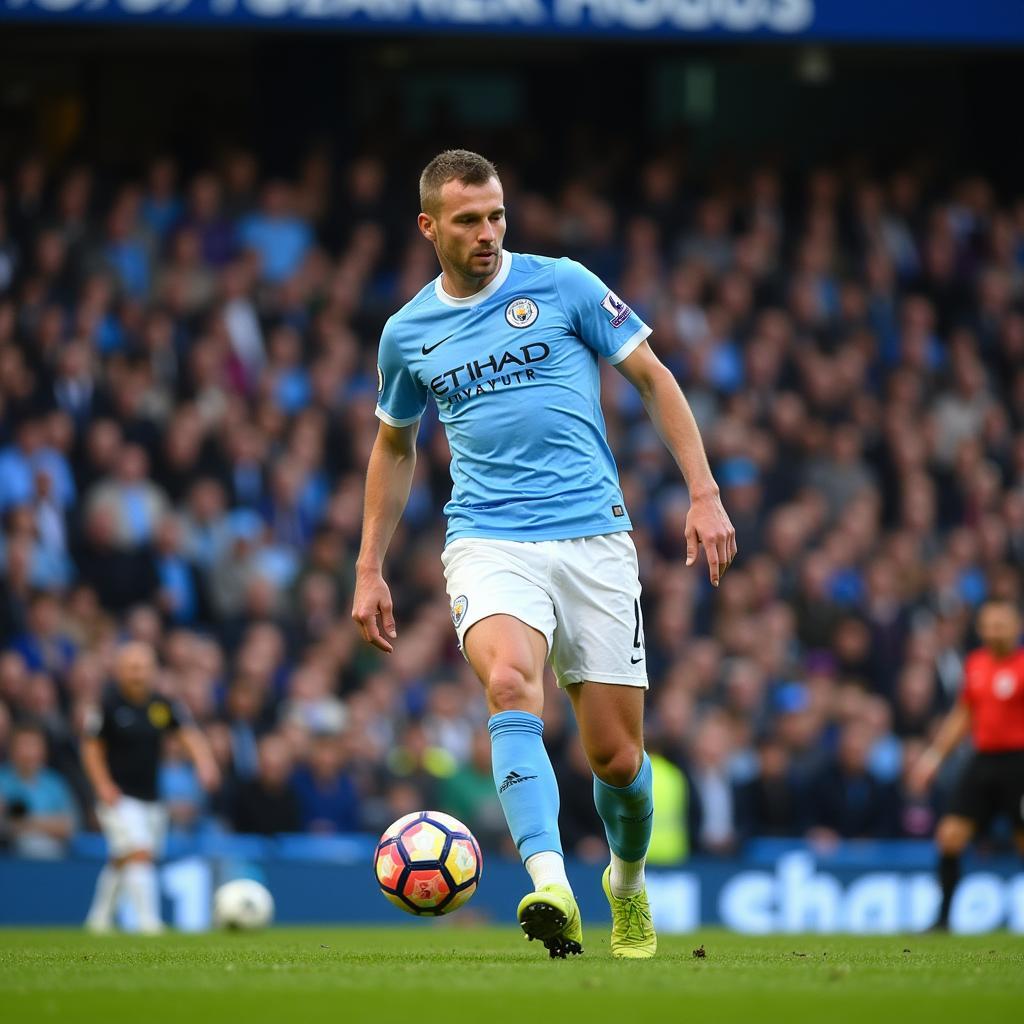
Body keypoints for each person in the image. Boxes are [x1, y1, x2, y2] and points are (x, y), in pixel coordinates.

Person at [352, 150, 736, 959]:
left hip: (594, 537)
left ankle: (624, 882)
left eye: (495, 215)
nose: (488, 232)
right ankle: (550, 882)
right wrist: (368, 565)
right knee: (508, 683)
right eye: (467, 220)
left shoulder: (561, 283)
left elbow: (654, 378)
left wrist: (702, 491)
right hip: (488, 540)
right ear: (429, 227)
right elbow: (394, 447)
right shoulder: (407, 333)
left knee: (617, 757)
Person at [80, 642, 219, 934]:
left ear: (154, 670)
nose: (138, 674)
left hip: (151, 798)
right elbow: (91, 750)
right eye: (131, 668)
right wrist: (103, 785)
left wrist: (204, 763)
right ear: (118, 671)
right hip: (117, 797)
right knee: (139, 852)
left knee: (123, 858)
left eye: (143, 667)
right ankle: (149, 923)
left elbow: (188, 734)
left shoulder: (162, 705)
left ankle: (98, 920)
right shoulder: (107, 706)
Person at [909, 598, 1024, 931]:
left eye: (1000, 624)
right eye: (987, 624)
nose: (993, 631)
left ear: (1016, 627)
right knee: (949, 835)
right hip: (984, 761)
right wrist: (932, 759)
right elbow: (963, 715)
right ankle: (943, 920)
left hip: (1019, 764)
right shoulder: (976, 664)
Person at [0, 721, 77, 858]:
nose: (30, 752)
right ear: (11, 749)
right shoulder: (2, 780)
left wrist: (27, 822)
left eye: (34, 745)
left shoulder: (55, 783)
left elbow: (69, 826)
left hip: (53, 858)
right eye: (24, 745)